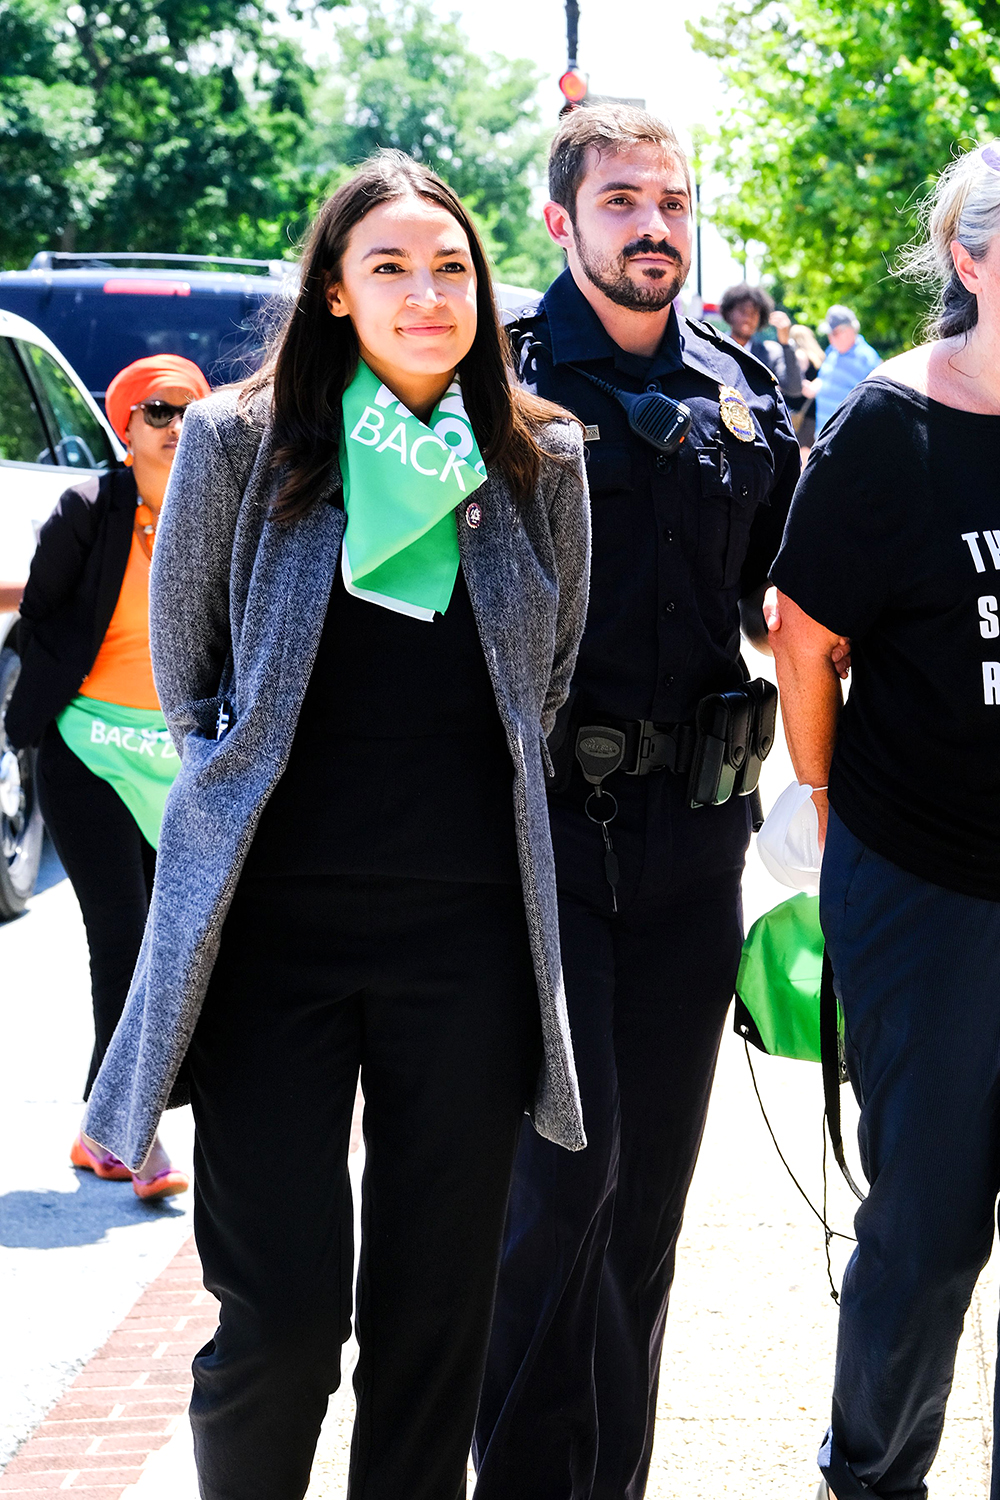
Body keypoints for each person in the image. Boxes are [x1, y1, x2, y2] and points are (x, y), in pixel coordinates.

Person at [83, 150, 590, 1500]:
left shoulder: (539, 460)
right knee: (287, 1319)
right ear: (331, 290)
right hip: (271, 954)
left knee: (436, 1332)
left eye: (452, 269)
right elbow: (190, 678)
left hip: (468, 952)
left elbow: (541, 686)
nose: (427, 295)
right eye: (390, 269)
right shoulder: (242, 446)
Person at [474, 104, 800, 1500]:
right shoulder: (496, 384)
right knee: (558, 1194)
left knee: (649, 1207)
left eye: (670, 199)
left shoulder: (743, 389)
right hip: (538, 842)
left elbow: (793, 600)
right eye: (620, 201)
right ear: (563, 221)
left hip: (695, 846)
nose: (653, 224)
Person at [767, 141, 1000, 1500]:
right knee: (926, 1228)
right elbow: (804, 637)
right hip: (929, 883)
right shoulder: (895, 428)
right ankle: (873, 1482)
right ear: (970, 260)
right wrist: (824, 799)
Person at [4, 353, 210, 1199]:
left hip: (182, 762)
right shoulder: (88, 511)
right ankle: (128, 1132)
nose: (176, 428)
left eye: (193, 414)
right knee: (122, 939)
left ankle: (110, 1127)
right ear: (124, 429)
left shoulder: (224, 514)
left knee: (181, 950)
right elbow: (41, 620)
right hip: (89, 752)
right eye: (158, 412)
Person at [719, 279, 803, 400]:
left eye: (754, 313)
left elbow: (794, 388)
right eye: (743, 311)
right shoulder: (716, 348)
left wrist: (785, 344)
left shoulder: (770, 354)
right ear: (729, 312)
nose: (748, 318)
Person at [808, 304, 881, 433]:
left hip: (846, 437)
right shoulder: (832, 351)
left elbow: (875, 400)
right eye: (829, 334)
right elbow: (823, 379)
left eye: (834, 333)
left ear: (849, 331)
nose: (830, 338)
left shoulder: (867, 358)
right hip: (823, 432)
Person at [788, 322, 825, 452]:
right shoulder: (819, 357)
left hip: (798, 411)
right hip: (812, 411)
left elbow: (798, 382)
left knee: (800, 455)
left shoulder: (799, 355)